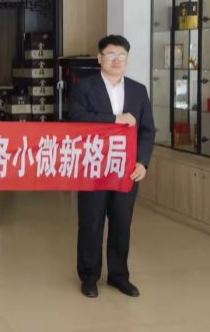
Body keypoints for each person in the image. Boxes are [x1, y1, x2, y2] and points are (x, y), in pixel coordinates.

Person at [69, 34, 155, 299]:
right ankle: (89, 276)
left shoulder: (138, 90)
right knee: (91, 222)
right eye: (111, 55)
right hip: (94, 167)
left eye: (122, 56)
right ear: (100, 58)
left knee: (121, 223)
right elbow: (77, 119)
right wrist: (115, 119)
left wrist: (142, 162)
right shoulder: (84, 87)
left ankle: (119, 276)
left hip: (125, 170)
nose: (117, 60)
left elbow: (147, 130)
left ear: (127, 59)